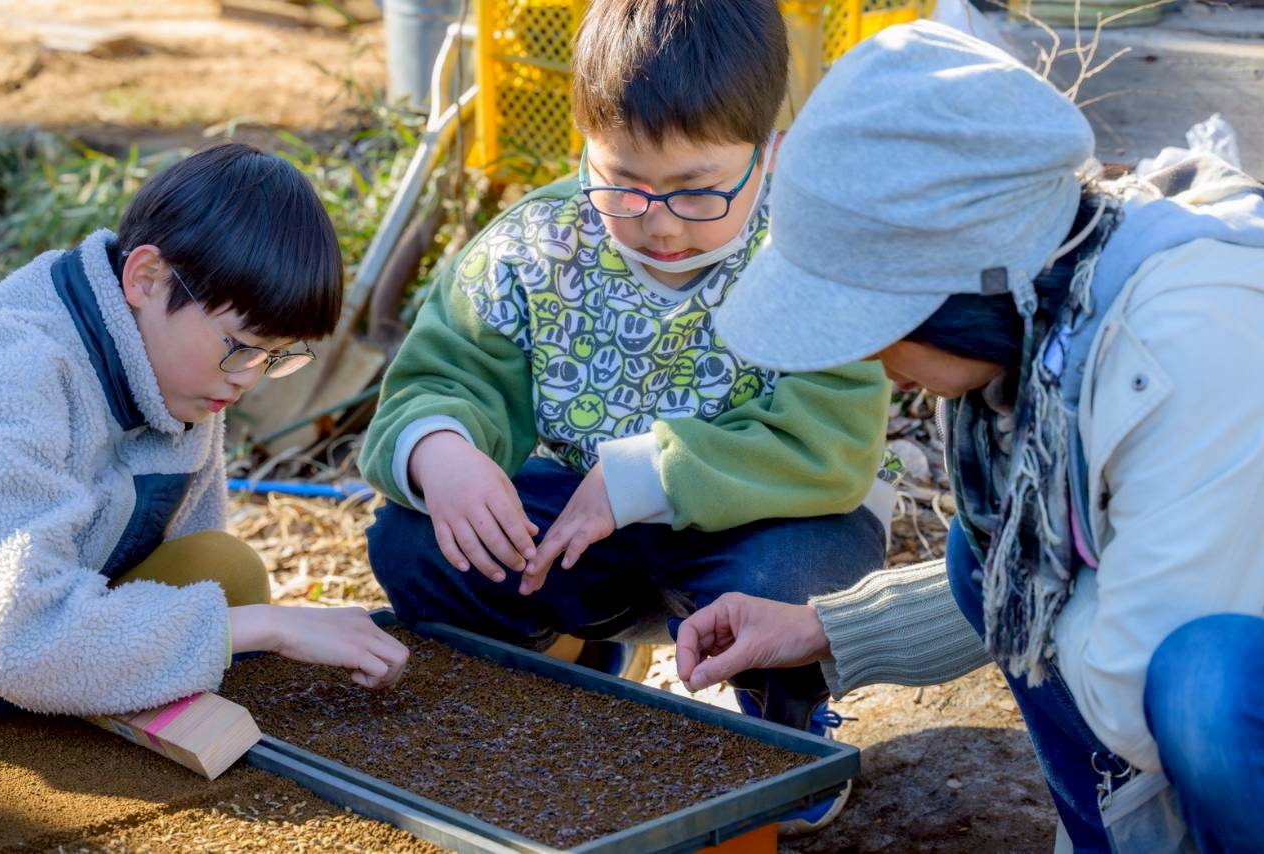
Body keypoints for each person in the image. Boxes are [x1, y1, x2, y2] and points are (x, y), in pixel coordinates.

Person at [676, 21, 1264, 851]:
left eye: (873, 324)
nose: (877, 364)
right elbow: (1030, 574)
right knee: (978, 548)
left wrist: (1003, 570)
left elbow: (1130, 684)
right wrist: (825, 630)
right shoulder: (1057, 294)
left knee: (1206, 686)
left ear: (961, 285)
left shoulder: (1188, 342)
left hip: (1216, 683)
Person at [360, 0, 898, 832]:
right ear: (585, 142)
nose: (658, 220)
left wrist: (648, 474)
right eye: (623, 182)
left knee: (792, 578)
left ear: (771, 152)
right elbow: (443, 377)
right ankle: (573, 665)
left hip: (769, 530)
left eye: (696, 189)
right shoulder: (531, 247)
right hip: (585, 528)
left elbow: (829, 442)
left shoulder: (809, 252)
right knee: (416, 543)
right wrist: (442, 449)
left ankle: (784, 728)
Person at [0, 143, 409, 717]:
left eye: (274, 357)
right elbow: (16, 638)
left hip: (52, 635)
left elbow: (195, 565)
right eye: (241, 346)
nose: (248, 378)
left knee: (223, 570)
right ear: (146, 278)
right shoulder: (15, 371)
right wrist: (271, 627)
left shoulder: (177, 373)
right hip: (10, 636)